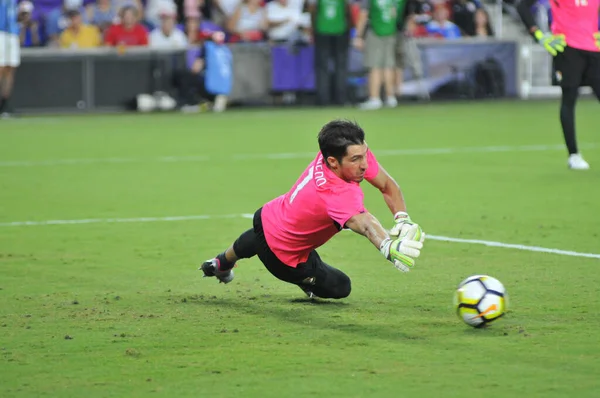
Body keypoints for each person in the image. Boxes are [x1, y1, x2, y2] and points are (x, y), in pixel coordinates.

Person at [200, 120, 425, 299]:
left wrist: (402, 218)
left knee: (265, 234)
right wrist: (387, 245)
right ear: (333, 162)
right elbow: (365, 223)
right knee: (341, 287)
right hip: (286, 260)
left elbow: (387, 185)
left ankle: (221, 262)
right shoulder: (338, 193)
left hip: (268, 215)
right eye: (356, 159)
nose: (364, 164)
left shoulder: (334, 151)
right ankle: (303, 280)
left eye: (364, 154)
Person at [517, 0, 600, 170]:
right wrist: (539, 35)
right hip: (567, 47)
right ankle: (574, 155)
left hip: (593, 48)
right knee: (569, 99)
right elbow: (522, 6)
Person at [0, 0, 19, 118]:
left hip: (12, 32)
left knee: (10, 69)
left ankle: (4, 104)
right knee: (0, 68)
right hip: (0, 31)